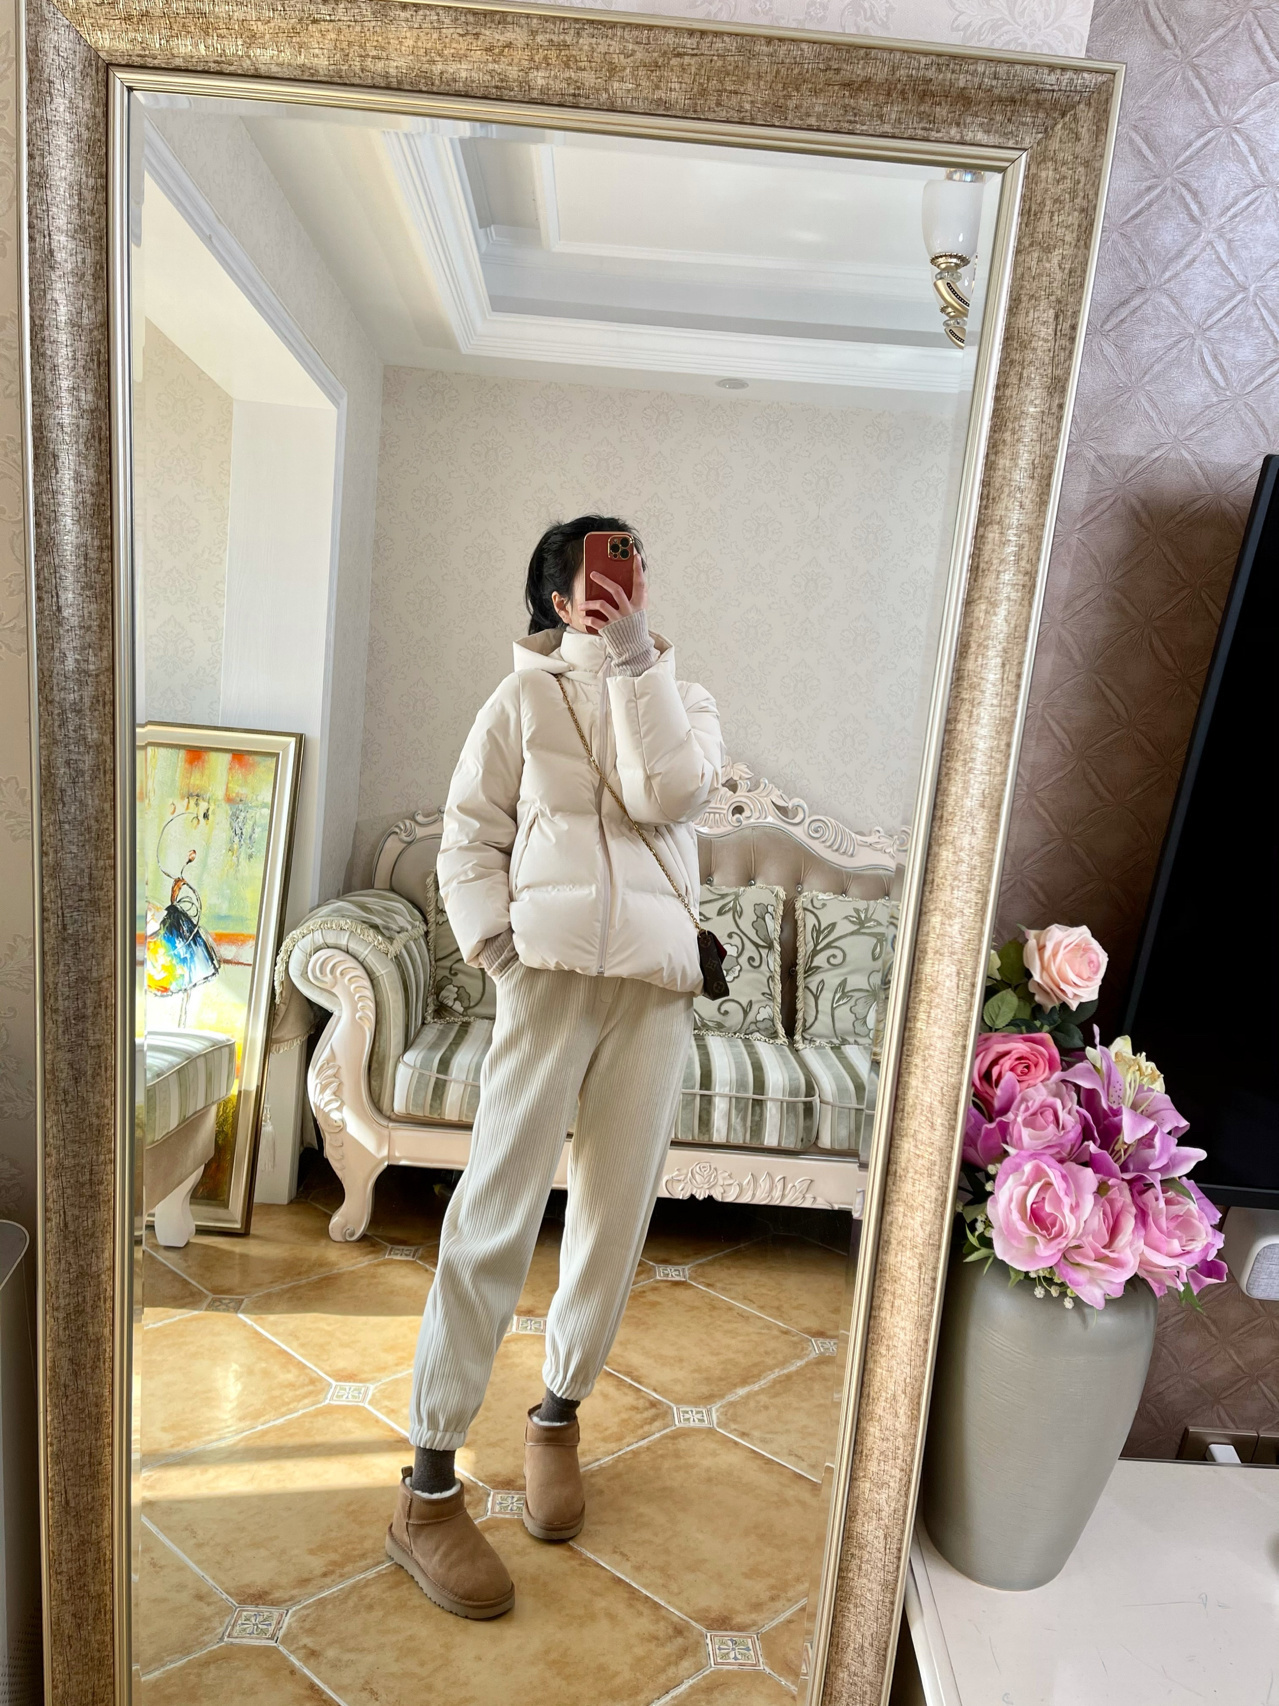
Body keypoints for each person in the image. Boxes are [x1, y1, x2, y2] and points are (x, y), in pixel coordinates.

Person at [385, 515, 723, 1619]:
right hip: (547, 981)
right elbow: (466, 836)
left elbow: (667, 794)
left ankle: (556, 1418)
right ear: (555, 596)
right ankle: (427, 1487)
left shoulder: (682, 696)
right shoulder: (518, 700)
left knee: (613, 1218)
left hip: (654, 991)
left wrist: (631, 662)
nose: (623, 580)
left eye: (633, 561)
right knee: (493, 1212)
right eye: (598, 569)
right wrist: (496, 948)